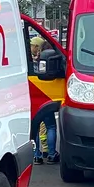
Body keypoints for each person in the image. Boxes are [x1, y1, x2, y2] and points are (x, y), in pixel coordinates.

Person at [29, 36, 59, 164]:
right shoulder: (51, 61)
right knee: (51, 126)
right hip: (48, 97)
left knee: (35, 126)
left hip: (33, 96)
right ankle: (52, 154)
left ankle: (37, 155)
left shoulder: (31, 62)